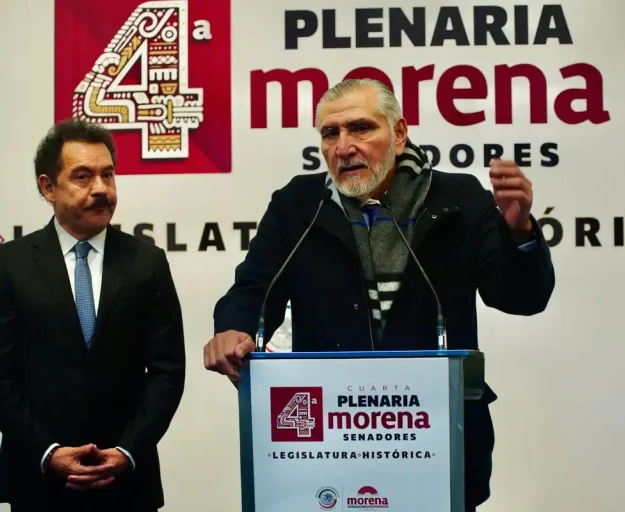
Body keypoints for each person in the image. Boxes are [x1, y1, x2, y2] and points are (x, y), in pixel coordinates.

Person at [204, 78, 555, 509]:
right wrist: (234, 327)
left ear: (399, 133)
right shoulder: (299, 204)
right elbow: (255, 287)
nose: (343, 147)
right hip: (329, 443)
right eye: (330, 133)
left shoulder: (459, 199)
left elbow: (521, 299)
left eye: (360, 128)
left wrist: (518, 232)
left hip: (436, 437)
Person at [0, 119, 186, 512]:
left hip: (126, 483)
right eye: (83, 176)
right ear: (48, 187)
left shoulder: (147, 262)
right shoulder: (11, 263)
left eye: (108, 174)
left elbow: (168, 372)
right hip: (38, 481)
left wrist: (127, 451)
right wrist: (48, 452)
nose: (101, 188)